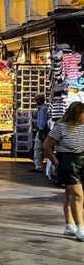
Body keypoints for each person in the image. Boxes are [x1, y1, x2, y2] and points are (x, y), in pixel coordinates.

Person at [42, 101, 84, 240]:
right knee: (77, 195)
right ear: (76, 114)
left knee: (70, 194)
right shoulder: (61, 127)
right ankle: (80, 227)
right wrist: (57, 164)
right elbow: (46, 146)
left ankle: (69, 224)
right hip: (68, 162)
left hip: (81, 160)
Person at [33, 94, 49, 172]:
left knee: (38, 148)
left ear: (39, 100)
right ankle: (38, 166)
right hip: (41, 130)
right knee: (39, 148)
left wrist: (40, 131)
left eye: (36, 100)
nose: (35, 102)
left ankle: (38, 166)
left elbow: (42, 122)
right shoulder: (42, 108)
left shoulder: (43, 109)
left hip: (41, 131)